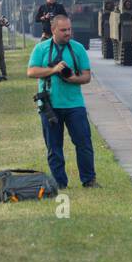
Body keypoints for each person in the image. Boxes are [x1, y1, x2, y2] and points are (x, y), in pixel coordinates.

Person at [27, 14, 98, 189]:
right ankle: (59, 182)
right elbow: (31, 72)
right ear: (53, 30)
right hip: (50, 106)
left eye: (69, 29)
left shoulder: (78, 48)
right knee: (54, 146)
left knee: (84, 144)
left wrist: (72, 78)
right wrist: (53, 70)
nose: (68, 33)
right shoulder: (41, 48)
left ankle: (89, 180)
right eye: (63, 30)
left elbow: (86, 76)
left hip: (75, 105)